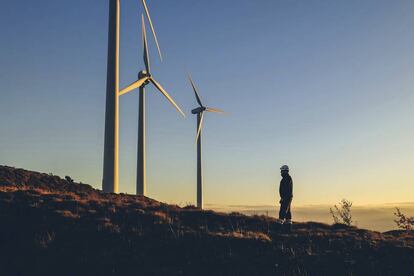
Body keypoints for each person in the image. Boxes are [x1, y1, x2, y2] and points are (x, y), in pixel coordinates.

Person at [278, 165, 293, 231]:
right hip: (287, 198)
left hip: (286, 198)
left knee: (283, 211)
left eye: (282, 171)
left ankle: (279, 227)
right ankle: (288, 228)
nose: (281, 172)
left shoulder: (286, 179)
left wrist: (283, 198)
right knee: (287, 213)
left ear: (284, 171)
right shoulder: (287, 178)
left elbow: (285, 190)